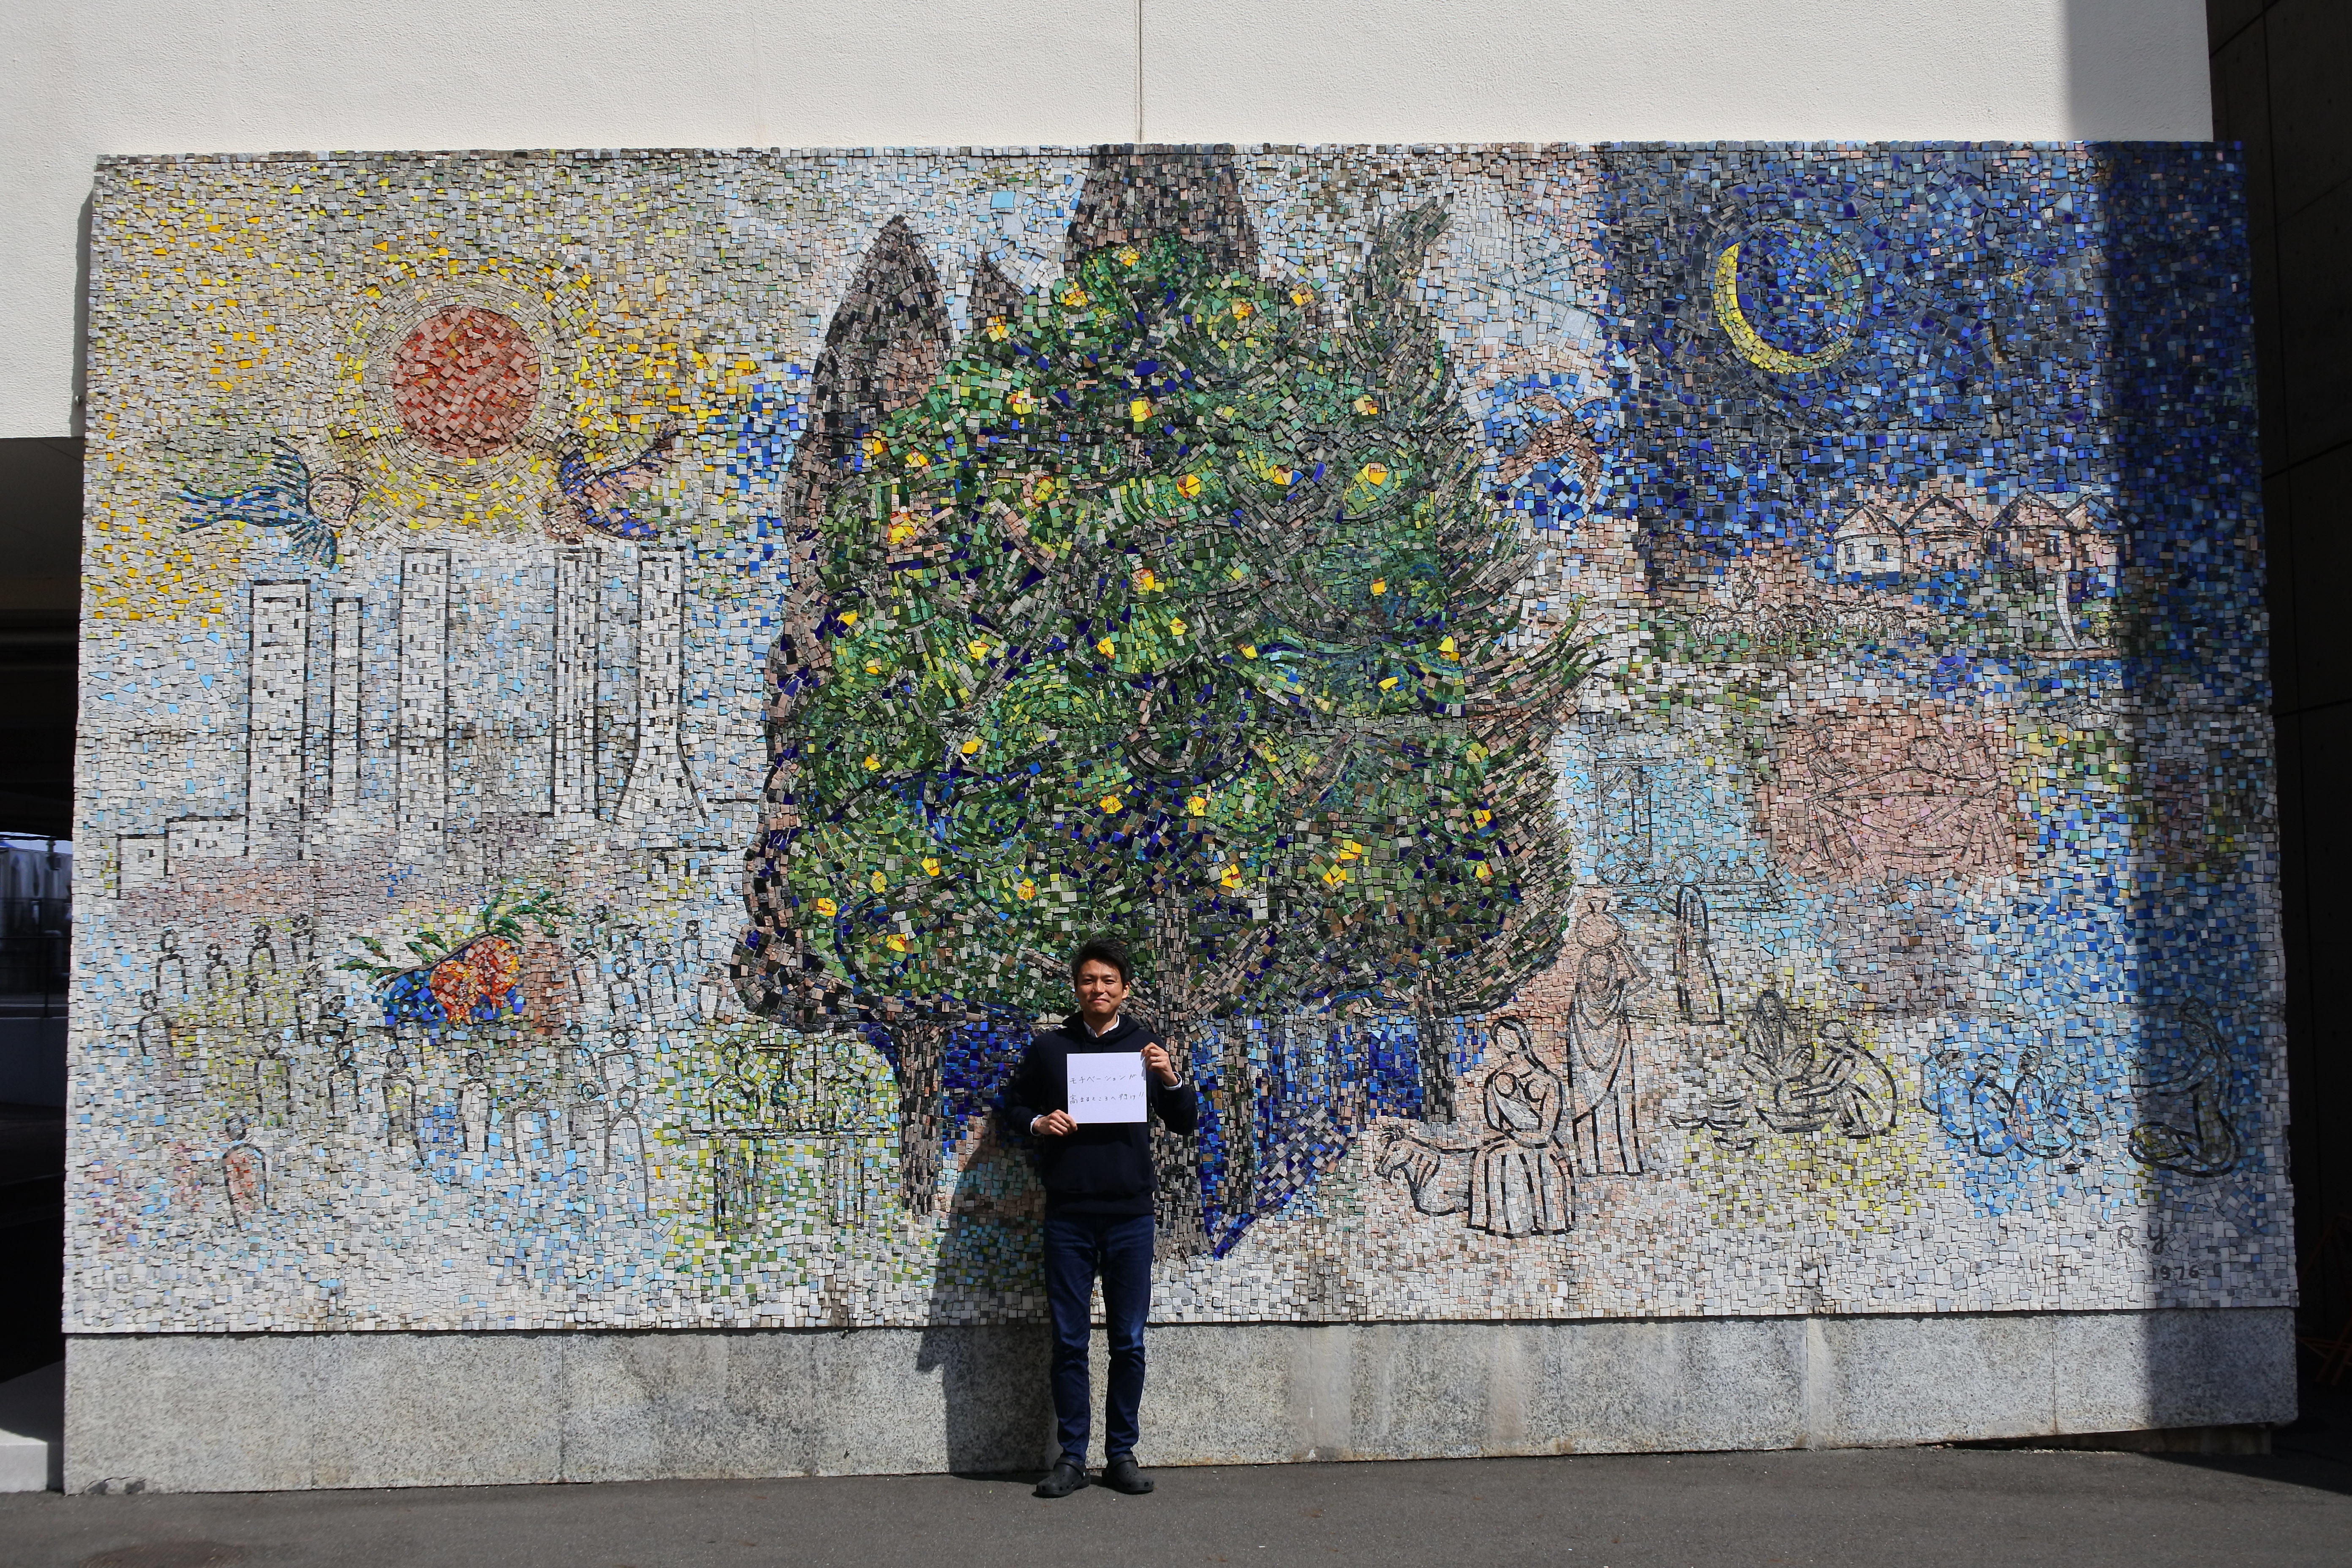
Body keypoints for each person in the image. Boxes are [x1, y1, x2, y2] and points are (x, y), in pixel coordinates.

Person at [999, 935, 1198, 1498]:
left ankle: (1121, 1454)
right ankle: (1070, 1457)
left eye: (1109, 981)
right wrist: (1039, 1123)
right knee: (1069, 1340)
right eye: (1089, 980)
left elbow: (1184, 1122)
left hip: (1130, 1216)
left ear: (1125, 990)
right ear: (1076, 987)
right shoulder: (1050, 1048)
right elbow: (1011, 1105)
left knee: (1129, 1340)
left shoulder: (1145, 1048)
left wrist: (1171, 1077)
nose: (1098, 989)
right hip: (1068, 1215)